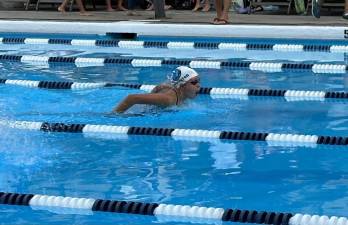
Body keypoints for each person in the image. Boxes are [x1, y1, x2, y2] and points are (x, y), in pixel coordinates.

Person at [113, 66, 201, 113]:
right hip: (139, 114)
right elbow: (132, 98)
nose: (198, 85)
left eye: (199, 81)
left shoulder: (179, 91)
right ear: (182, 85)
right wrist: (114, 115)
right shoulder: (168, 99)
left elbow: (161, 86)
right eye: (194, 82)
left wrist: (155, 90)